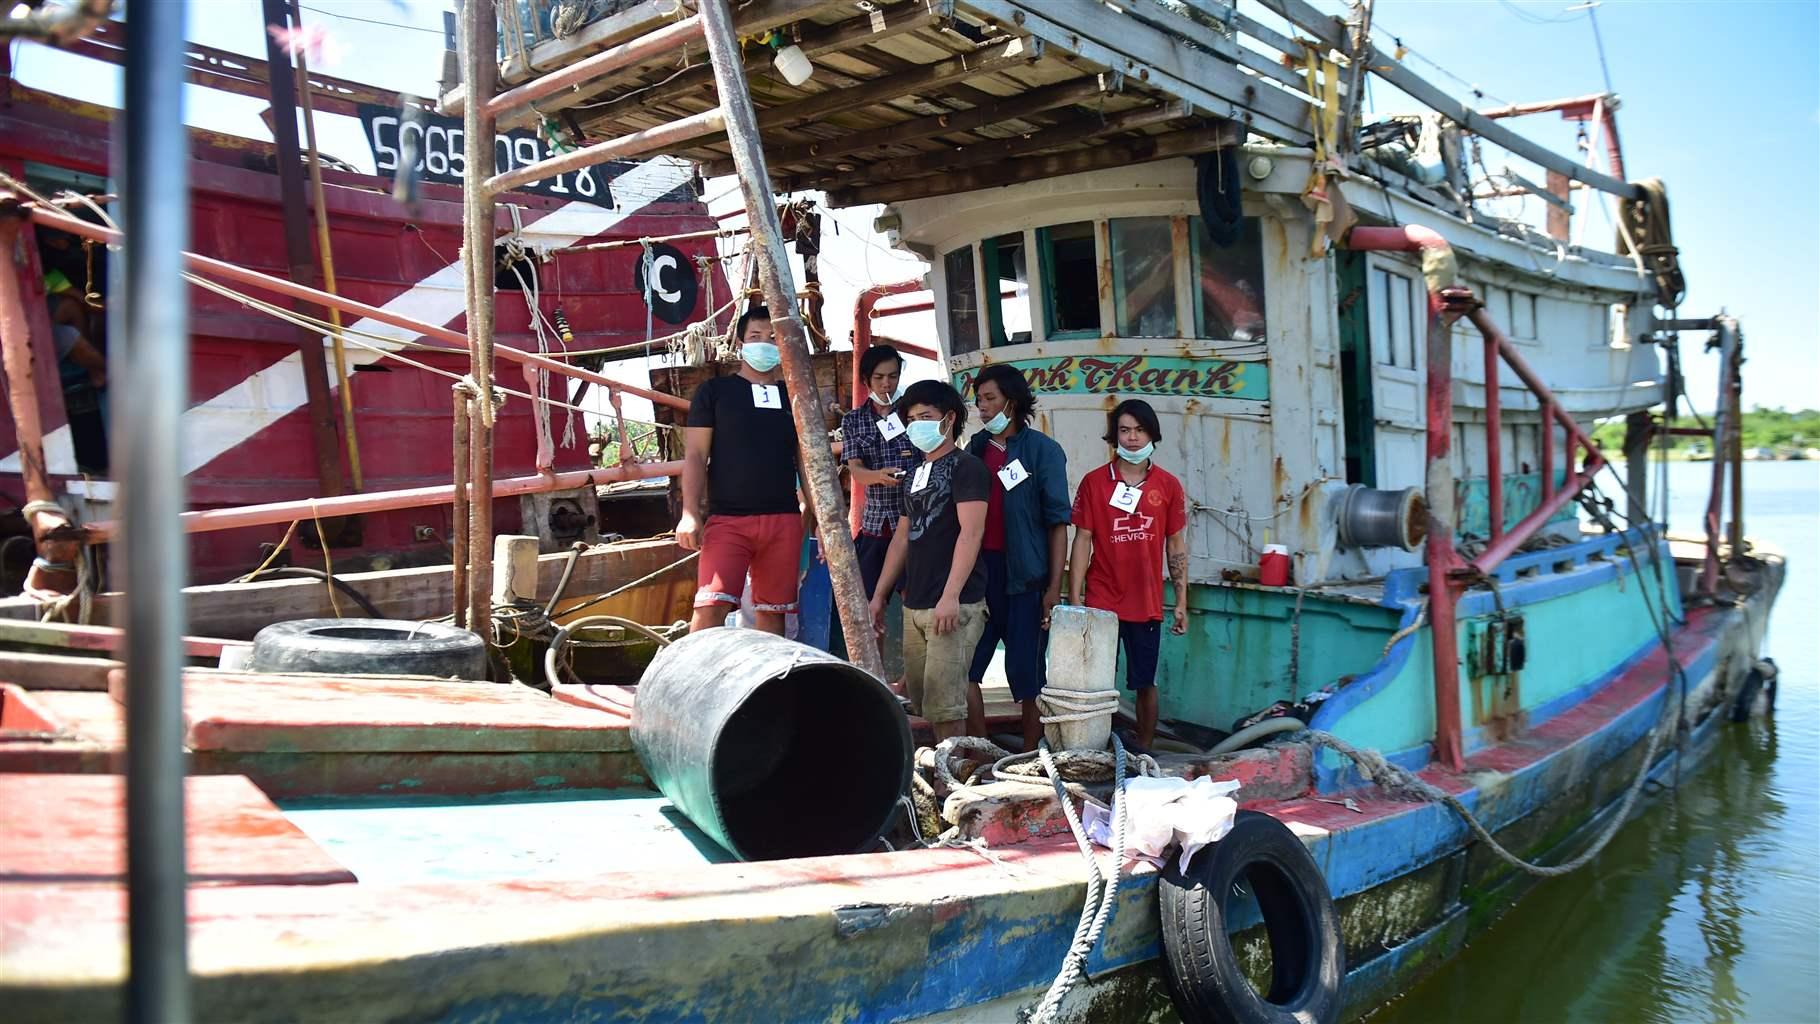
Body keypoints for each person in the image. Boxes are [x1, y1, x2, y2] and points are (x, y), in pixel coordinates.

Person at [870, 381, 989, 741]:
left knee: (947, 707)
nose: (917, 424)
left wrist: (951, 595)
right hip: (915, 604)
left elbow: (971, 534)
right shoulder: (914, 476)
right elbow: (902, 538)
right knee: (924, 701)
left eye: (926, 416)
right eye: (911, 418)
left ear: (949, 419)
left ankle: (949, 787)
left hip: (955, 602)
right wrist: (879, 595)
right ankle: (952, 772)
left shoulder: (968, 468)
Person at [1068, 398, 1189, 752]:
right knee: (1096, 682)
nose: (1133, 438)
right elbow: (1083, 540)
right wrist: (1074, 596)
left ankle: (1146, 751)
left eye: (1139, 430)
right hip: (1102, 599)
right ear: (1114, 436)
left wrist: (1182, 600)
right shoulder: (1094, 482)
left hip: (1147, 601)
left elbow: (1176, 544)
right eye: (1125, 430)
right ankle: (1091, 749)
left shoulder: (1168, 485)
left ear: (1152, 434)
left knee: (1144, 683)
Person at [675, 306, 802, 635]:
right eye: (756, 337)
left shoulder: (795, 398)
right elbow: (695, 455)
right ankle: (691, 683)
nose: (765, 344)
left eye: (773, 338)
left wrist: (816, 515)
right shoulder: (714, 392)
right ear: (740, 343)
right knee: (709, 608)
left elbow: (805, 460)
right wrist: (689, 513)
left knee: (774, 614)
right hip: (728, 521)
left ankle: (767, 687)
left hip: (784, 521)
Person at [965, 363, 1070, 750]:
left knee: (1028, 677)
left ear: (1012, 400)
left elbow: (1058, 523)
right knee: (967, 668)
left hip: (1026, 577)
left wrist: (1053, 587)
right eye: (979, 401)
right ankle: (978, 756)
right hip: (980, 576)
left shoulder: (1043, 451)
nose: (983, 408)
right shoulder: (973, 449)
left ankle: (1029, 759)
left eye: (990, 398)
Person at [840, 345, 919, 601]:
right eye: (879, 377)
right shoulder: (853, 420)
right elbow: (855, 469)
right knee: (871, 603)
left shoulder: (913, 413)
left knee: (914, 598)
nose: (887, 383)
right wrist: (878, 476)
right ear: (866, 380)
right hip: (875, 524)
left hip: (913, 521)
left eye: (893, 376)